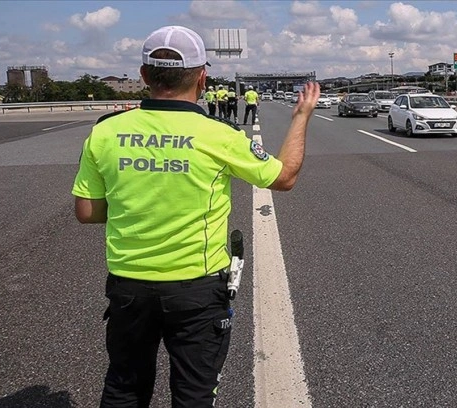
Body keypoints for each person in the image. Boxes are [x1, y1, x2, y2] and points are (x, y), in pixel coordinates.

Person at [71, 25, 320, 408]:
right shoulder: (219, 135)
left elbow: (87, 212)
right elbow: (283, 177)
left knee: (124, 386)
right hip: (196, 289)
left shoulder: (106, 132)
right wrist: (301, 116)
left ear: (143, 75)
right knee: (194, 394)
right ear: (202, 77)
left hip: (128, 287)